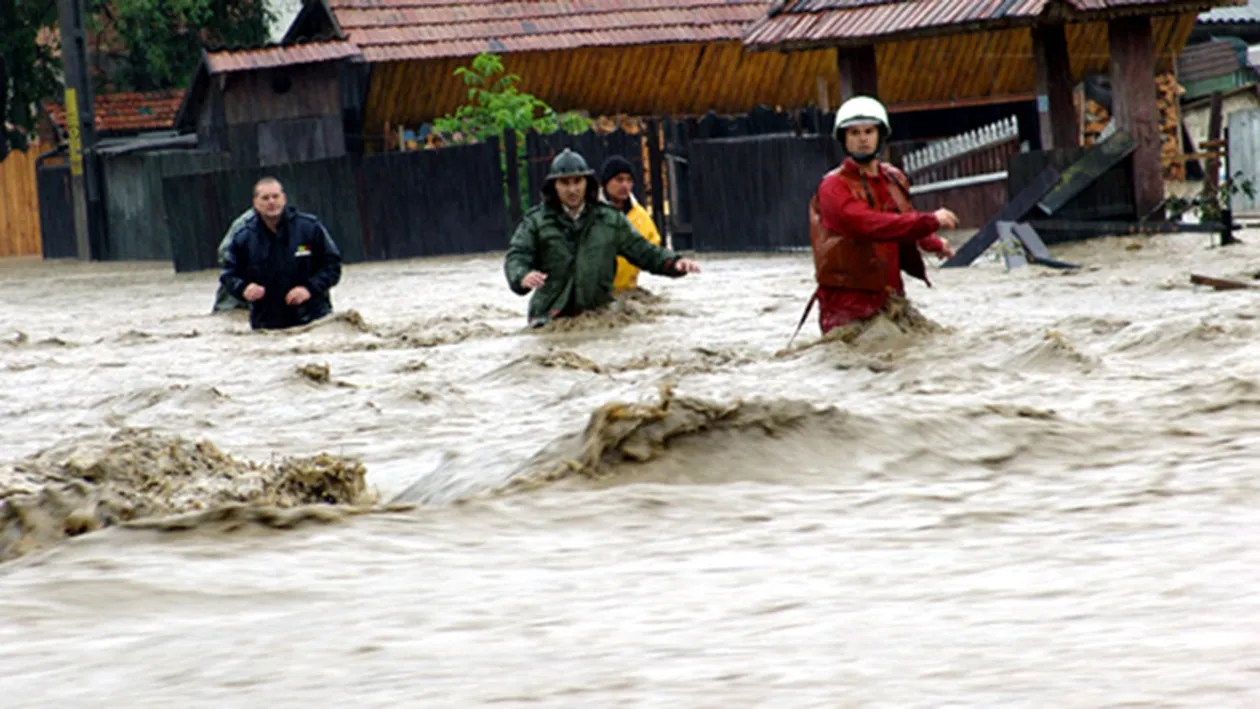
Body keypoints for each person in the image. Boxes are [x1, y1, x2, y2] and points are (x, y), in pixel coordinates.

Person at [805, 95, 958, 336]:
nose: (863, 139)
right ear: (844, 139)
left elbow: (902, 219)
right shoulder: (833, 186)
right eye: (854, 133)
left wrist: (931, 242)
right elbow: (868, 224)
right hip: (847, 306)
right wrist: (929, 222)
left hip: (890, 297)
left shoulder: (893, 177)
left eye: (868, 131)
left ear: (880, 136)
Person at [504, 148, 700, 327]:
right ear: (554, 186)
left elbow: (643, 250)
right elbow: (517, 256)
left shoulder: (609, 219)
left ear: (587, 183)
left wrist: (674, 263)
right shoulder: (536, 221)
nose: (572, 190)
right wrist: (522, 276)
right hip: (548, 317)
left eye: (577, 181)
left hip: (597, 314)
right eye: (565, 182)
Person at [220, 177, 343, 331]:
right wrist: (244, 288)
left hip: (314, 320)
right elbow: (228, 275)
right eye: (265, 198)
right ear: (255, 203)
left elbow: (333, 267)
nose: (271, 202)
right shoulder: (243, 238)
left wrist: (308, 289)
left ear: (284, 198)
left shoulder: (310, 228)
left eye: (275, 196)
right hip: (266, 326)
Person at [597, 155, 664, 295]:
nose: (625, 185)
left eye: (629, 180)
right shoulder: (591, 213)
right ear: (606, 183)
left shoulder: (640, 216)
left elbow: (653, 249)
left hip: (627, 292)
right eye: (619, 180)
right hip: (596, 295)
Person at [211, 208, 254, 313]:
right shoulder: (246, 222)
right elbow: (225, 253)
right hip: (236, 299)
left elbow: (300, 248)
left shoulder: (294, 223)